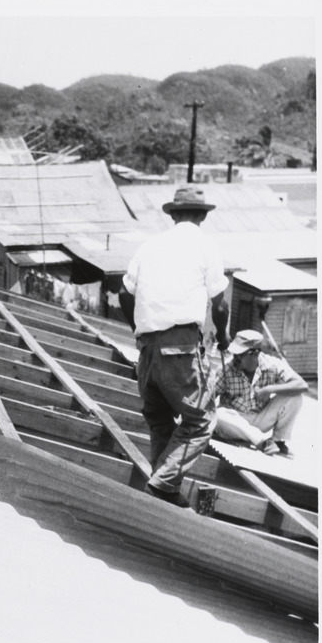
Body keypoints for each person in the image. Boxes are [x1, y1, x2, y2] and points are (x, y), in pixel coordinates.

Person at [118, 186, 231, 508]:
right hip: (180, 346)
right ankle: (163, 485)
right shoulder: (205, 245)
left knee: (159, 418)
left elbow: (124, 295)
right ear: (204, 215)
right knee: (200, 421)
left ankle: (164, 489)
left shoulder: (151, 244)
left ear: (173, 214)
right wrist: (222, 336)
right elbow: (219, 306)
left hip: (147, 347)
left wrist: (138, 331)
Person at [210, 329, 308, 458]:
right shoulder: (226, 367)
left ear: (254, 354)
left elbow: (302, 385)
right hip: (235, 424)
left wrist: (270, 389)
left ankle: (278, 441)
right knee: (219, 414)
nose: (235, 358)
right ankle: (263, 442)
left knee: (295, 397)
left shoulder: (272, 364)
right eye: (234, 353)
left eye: (240, 354)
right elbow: (208, 399)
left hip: (261, 419)